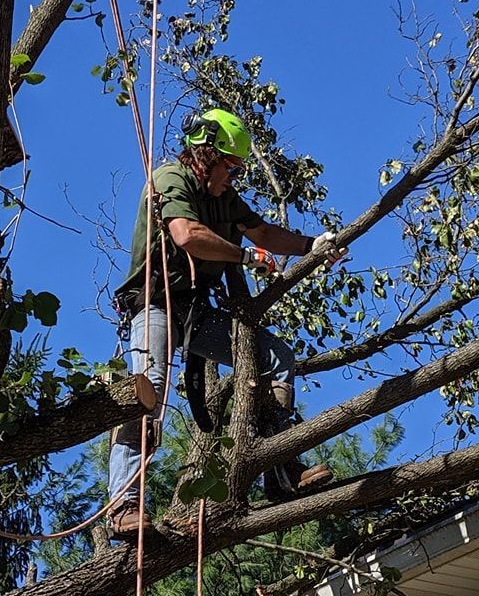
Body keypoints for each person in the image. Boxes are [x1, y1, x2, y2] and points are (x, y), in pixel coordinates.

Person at [107, 107, 340, 540]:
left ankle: (281, 467)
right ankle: (124, 503)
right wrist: (244, 256)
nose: (235, 176)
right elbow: (187, 235)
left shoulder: (223, 199)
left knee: (275, 356)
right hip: (155, 304)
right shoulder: (170, 179)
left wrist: (314, 245)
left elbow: (264, 233)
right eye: (231, 166)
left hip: (195, 312)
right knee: (148, 386)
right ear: (206, 154)